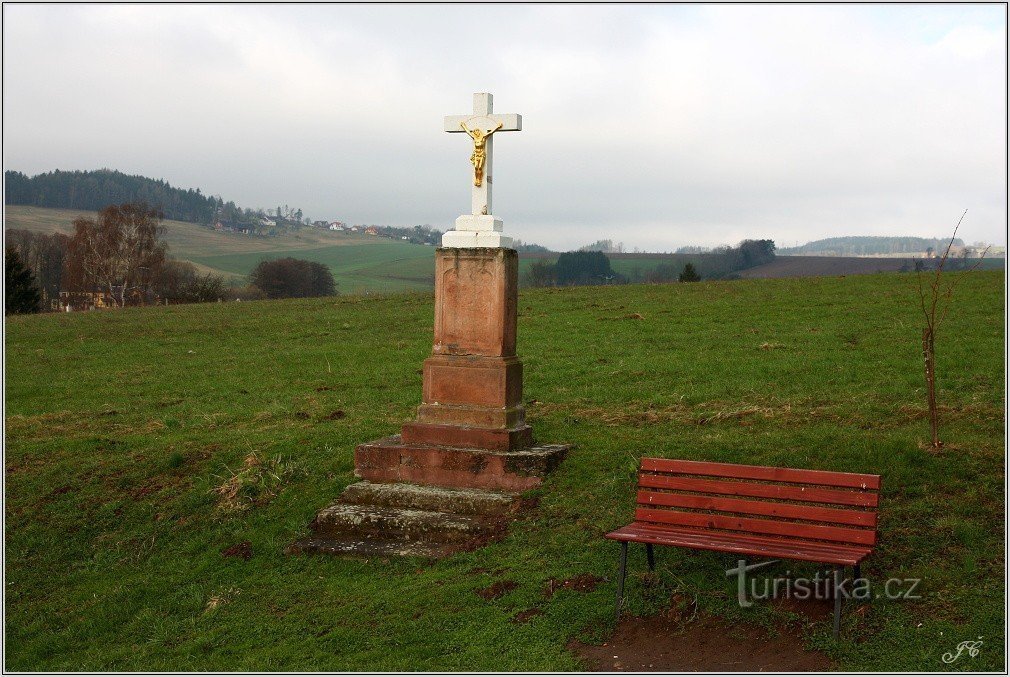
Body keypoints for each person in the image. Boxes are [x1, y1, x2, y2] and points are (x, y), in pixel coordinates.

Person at [460, 120, 503, 186]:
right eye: (475, 132)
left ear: (479, 132)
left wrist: (497, 127)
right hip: (476, 154)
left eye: (477, 131)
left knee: (480, 167)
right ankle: (476, 179)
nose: (476, 133)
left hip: (481, 154)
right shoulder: (474, 138)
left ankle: (479, 179)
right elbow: (468, 132)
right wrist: (463, 126)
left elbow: (490, 132)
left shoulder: (483, 137)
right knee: (476, 167)